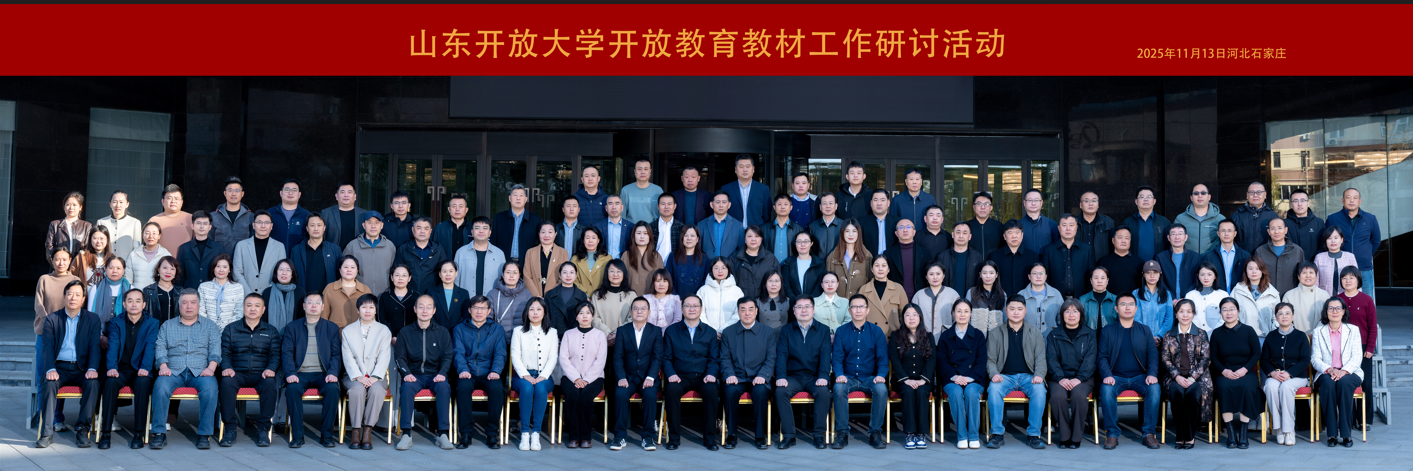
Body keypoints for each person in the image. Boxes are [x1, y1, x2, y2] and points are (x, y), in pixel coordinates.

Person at [149, 289, 221, 450]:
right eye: (185, 302)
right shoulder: (167, 326)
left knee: (210, 389)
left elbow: (215, 350)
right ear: (179, 306)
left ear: (198, 305)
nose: (189, 306)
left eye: (193, 302)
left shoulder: (210, 326)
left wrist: (211, 368)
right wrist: (163, 366)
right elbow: (160, 348)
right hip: (173, 370)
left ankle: (204, 434)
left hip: (201, 371)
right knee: (160, 387)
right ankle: (159, 433)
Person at [35, 280, 102, 449]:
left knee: (93, 384)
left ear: (83, 299)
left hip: (82, 368)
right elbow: (48, 347)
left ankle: (82, 430)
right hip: (59, 368)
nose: (73, 298)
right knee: (49, 384)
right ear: (64, 297)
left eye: (78, 295)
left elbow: (94, 346)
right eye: (70, 294)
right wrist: (51, 368)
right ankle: (46, 432)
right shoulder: (52, 319)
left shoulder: (92, 319)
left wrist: (92, 368)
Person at [1096, 293, 1162, 450]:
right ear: (1116, 309)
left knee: (1154, 389)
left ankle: (1148, 433)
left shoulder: (1144, 330)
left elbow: (1153, 356)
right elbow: (1102, 357)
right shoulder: (1107, 330)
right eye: (1123, 304)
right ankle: (1112, 434)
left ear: (1136, 308)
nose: (1127, 307)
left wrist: (1152, 374)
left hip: (1140, 377)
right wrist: (1107, 375)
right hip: (1116, 377)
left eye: (1131, 304)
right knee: (1106, 390)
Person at [216, 293, 280, 448]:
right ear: (243, 308)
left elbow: (275, 355)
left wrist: (270, 369)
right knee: (226, 383)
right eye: (249, 305)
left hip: (261, 373)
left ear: (263, 309)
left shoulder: (271, 331)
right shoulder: (231, 329)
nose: (253, 309)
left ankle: (263, 429)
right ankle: (230, 429)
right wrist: (227, 367)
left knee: (270, 384)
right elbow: (224, 352)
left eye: (257, 306)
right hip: (237, 373)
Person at [984, 295, 1047, 450]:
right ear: (1006, 310)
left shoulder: (1035, 332)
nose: (1016, 312)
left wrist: (1039, 375)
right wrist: (994, 374)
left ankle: (1034, 435)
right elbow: (990, 359)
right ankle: (997, 434)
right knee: (994, 389)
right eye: (1012, 309)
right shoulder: (996, 333)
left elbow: (1041, 358)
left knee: (1039, 390)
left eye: (1019, 309)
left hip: (1029, 377)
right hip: (1004, 377)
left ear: (1025, 311)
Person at [281, 292, 343, 448]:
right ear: (304, 306)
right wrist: (290, 373)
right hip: (299, 373)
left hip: (323, 374)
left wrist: (332, 372)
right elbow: (286, 353)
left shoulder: (331, 328)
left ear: (322, 307)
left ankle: (327, 435)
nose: (313, 306)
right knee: (292, 389)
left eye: (317, 302)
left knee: (333, 389)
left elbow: (336, 354)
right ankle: (297, 436)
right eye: (310, 302)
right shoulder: (292, 327)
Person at [393, 295, 455, 451]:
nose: (424, 310)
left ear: (434, 310)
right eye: (421, 307)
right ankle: (406, 434)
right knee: (406, 388)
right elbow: (399, 357)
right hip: (414, 375)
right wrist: (406, 373)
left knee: (444, 387)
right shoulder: (405, 332)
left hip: (435, 375)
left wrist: (442, 373)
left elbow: (448, 356)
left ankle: (442, 434)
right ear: (415, 309)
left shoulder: (442, 332)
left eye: (428, 307)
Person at [99, 289, 159, 449]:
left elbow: (150, 347)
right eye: (130, 301)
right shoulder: (115, 322)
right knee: (110, 383)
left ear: (144, 304)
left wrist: (145, 367)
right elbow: (113, 346)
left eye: (138, 301)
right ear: (124, 304)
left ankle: (139, 433)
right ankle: (105, 433)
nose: (134, 304)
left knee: (143, 383)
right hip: (120, 369)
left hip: (140, 369)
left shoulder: (152, 323)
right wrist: (112, 368)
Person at [661, 293, 722, 450]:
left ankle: (710, 439)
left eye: (695, 306)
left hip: (703, 376)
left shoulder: (710, 332)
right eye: (688, 306)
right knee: (671, 390)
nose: (691, 309)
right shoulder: (672, 331)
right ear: (682, 309)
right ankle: (673, 438)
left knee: (711, 390)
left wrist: (711, 374)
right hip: (680, 376)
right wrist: (671, 374)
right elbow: (666, 358)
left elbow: (714, 359)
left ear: (701, 309)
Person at [831, 295, 890, 449]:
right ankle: (842, 433)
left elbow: (883, 358)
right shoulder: (841, 331)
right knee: (838, 388)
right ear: (849, 310)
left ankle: (875, 433)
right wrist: (839, 374)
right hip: (848, 377)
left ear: (867, 310)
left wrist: (881, 375)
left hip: (870, 378)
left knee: (881, 389)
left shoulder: (876, 331)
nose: (858, 310)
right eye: (854, 307)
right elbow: (836, 358)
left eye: (861, 306)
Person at [773, 296, 832, 449]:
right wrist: (781, 376)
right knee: (780, 391)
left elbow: (825, 356)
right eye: (799, 307)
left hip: (814, 377)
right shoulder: (786, 330)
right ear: (794, 311)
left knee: (823, 392)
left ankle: (819, 435)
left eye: (807, 306)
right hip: (793, 377)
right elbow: (782, 355)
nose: (803, 310)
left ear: (813, 309)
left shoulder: (823, 330)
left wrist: (823, 376)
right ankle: (789, 436)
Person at [718, 298, 777, 450]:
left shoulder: (767, 332)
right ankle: (731, 434)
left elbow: (771, 358)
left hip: (759, 377)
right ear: (738, 312)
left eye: (751, 309)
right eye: (743, 309)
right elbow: (724, 358)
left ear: (756, 311)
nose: (747, 313)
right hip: (736, 377)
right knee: (729, 392)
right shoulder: (728, 332)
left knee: (760, 392)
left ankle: (760, 435)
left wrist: (763, 375)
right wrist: (729, 374)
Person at [452, 296, 507, 448]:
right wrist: (463, 370)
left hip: (488, 372)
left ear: (489, 311)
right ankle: (466, 433)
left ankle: (492, 434)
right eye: (475, 307)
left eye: (483, 308)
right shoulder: (459, 329)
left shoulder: (497, 329)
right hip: (467, 371)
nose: (479, 311)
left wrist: (495, 371)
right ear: (469, 310)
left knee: (497, 389)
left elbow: (500, 353)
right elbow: (458, 353)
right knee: (463, 387)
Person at [610, 297, 664, 451]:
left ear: (649, 312)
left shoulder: (655, 331)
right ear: (631, 312)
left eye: (643, 308)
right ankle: (620, 437)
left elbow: (657, 357)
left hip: (648, 377)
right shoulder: (622, 330)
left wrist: (651, 377)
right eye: (636, 308)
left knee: (650, 396)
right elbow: (617, 357)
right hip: (627, 377)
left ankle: (648, 437)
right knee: (620, 395)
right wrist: (621, 377)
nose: (639, 311)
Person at [1210, 296, 1262, 449]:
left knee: (1247, 387)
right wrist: (1224, 371)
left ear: (1238, 311)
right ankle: (1231, 434)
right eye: (1224, 310)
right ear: (1220, 313)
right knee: (1224, 387)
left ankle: (1244, 433)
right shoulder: (1216, 333)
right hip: (1224, 371)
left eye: (1232, 309)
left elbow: (1256, 354)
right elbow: (1213, 357)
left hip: (1246, 371)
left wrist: (1244, 369)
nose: (1228, 313)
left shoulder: (1248, 330)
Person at [1161, 298, 1213, 450]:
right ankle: (1180, 434)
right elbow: (1165, 359)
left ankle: (1189, 435)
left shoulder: (1201, 334)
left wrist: (1192, 377)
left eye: (1189, 312)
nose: (1185, 315)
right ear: (1176, 314)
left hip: (1198, 378)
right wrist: (1177, 376)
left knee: (1191, 395)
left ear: (1194, 314)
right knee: (1176, 393)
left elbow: (1205, 359)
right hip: (1174, 378)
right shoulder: (1168, 335)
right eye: (1181, 311)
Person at [1311, 296, 1362, 448]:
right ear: (1326, 311)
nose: (1334, 311)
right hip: (1327, 372)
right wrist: (1330, 369)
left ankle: (1346, 434)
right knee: (1327, 384)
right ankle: (1332, 434)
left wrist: (1344, 371)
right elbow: (1315, 358)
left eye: (1338, 308)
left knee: (1344, 384)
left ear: (1343, 311)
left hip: (1350, 372)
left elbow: (1357, 356)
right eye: (1331, 308)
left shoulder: (1353, 330)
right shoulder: (1318, 331)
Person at [1046, 299, 1097, 450]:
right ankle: (1065, 434)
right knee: (1057, 397)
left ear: (1081, 314)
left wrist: (1079, 378)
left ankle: (1076, 436)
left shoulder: (1090, 334)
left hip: (1083, 378)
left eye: (1075, 311)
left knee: (1079, 396)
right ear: (1062, 315)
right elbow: (1051, 359)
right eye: (1067, 311)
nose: (1071, 315)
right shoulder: (1053, 335)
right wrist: (1061, 378)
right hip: (1058, 377)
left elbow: (1090, 360)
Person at [342, 298, 390, 451]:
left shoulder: (384, 330)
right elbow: (347, 357)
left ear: (375, 310)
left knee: (377, 390)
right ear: (358, 310)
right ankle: (356, 431)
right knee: (357, 390)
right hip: (353, 376)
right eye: (364, 307)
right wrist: (359, 377)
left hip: (377, 376)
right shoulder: (348, 331)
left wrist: (375, 377)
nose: (367, 310)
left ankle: (367, 431)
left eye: (371, 307)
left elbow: (384, 356)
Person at [938, 299, 987, 449]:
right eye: (959, 311)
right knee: (955, 392)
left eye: (966, 311)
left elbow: (982, 360)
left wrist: (969, 377)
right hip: (951, 378)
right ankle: (962, 436)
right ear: (953, 313)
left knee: (971, 393)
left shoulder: (978, 335)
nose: (962, 314)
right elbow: (941, 361)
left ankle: (973, 436)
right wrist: (955, 377)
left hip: (974, 378)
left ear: (971, 313)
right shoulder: (945, 336)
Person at [510, 297, 557, 451]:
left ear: (544, 312)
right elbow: (515, 356)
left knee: (541, 388)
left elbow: (553, 357)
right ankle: (525, 433)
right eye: (531, 309)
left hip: (544, 375)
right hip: (522, 376)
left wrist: (543, 375)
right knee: (527, 388)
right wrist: (525, 375)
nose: (535, 312)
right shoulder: (518, 331)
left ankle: (535, 433)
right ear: (527, 312)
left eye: (539, 309)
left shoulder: (552, 332)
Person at [1261, 302, 1312, 446]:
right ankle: (1279, 428)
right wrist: (1273, 373)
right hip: (1275, 375)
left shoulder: (1301, 336)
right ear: (1276, 317)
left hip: (1297, 376)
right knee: (1270, 386)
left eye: (1287, 313)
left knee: (1286, 387)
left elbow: (1305, 360)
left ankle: (1289, 430)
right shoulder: (1271, 336)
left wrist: (1289, 373)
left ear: (1293, 316)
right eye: (1280, 314)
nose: (1284, 316)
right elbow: (1264, 360)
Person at [560, 302, 607, 449]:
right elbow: (563, 359)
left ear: (592, 316)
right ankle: (573, 436)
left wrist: (586, 379)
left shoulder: (600, 335)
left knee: (586, 397)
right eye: (581, 313)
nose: (584, 316)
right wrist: (576, 378)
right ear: (576, 317)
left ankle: (586, 436)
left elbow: (600, 361)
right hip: (570, 378)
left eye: (588, 313)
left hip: (594, 378)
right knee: (573, 396)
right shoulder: (568, 334)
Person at [889, 303, 936, 450]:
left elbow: (931, 360)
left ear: (920, 317)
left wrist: (923, 380)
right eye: (907, 315)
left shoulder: (928, 336)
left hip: (923, 379)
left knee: (922, 392)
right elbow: (894, 360)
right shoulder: (896, 336)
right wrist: (906, 380)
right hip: (902, 380)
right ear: (903, 318)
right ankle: (909, 433)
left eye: (915, 314)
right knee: (908, 392)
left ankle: (921, 434)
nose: (911, 318)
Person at [1336, 265, 1377, 426]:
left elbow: (1372, 326)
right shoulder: (1337, 300)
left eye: (1351, 277)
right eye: (1344, 278)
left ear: (1358, 280)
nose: (1348, 280)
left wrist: (1370, 347)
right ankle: (1349, 419)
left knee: (1365, 383)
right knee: (1346, 381)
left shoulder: (1367, 300)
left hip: (1363, 346)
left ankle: (1365, 419)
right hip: (1342, 348)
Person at [1325, 188, 1380, 299]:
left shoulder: (1370, 218)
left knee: (1366, 299)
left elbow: (1376, 241)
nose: (1351, 200)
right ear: (1342, 200)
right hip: (1341, 267)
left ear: (1359, 201)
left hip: (1364, 267)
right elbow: (1327, 240)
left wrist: (1366, 255)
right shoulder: (1333, 219)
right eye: (1348, 197)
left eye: (1355, 198)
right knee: (1341, 301)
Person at [234, 211, 288, 296]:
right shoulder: (241, 245)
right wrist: (249, 294)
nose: (263, 226)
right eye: (259, 222)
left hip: (270, 296)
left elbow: (281, 273)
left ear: (271, 226)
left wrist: (267, 293)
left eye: (266, 223)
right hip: (245, 296)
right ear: (253, 225)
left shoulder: (279, 247)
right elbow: (237, 273)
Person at [1040, 214, 1094, 298]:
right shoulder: (1049, 250)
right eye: (1064, 225)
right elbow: (1045, 277)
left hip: (1081, 299)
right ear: (1059, 228)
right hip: (1055, 299)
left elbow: (1091, 276)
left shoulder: (1087, 250)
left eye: (1071, 225)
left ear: (1076, 228)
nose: (1068, 228)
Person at [343, 211, 396, 296]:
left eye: (376, 223)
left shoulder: (390, 246)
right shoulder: (352, 246)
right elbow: (343, 272)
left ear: (382, 225)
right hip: (359, 295)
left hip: (384, 296)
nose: (373, 226)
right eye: (369, 222)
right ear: (363, 225)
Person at [455, 216, 506, 299]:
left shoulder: (499, 254)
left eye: (485, 228)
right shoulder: (461, 252)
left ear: (490, 232)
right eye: (477, 228)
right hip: (466, 301)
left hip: (491, 302)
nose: (481, 231)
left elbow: (503, 280)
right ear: (472, 231)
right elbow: (456, 280)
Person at [394, 217, 449, 293]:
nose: (422, 231)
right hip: (407, 294)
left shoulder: (438, 250)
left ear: (430, 231)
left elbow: (444, 273)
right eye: (419, 228)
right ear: (413, 230)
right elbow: (395, 272)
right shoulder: (403, 249)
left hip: (432, 295)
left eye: (426, 228)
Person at [490, 184, 543, 261]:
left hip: (527, 263)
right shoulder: (499, 218)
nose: (518, 198)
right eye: (515, 195)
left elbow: (538, 244)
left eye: (521, 195)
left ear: (526, 199)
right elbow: (493, 242)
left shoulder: (536, 220)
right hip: (503, 262)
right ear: (510, 198)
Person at [988, 220, 1039, 296]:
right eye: (1010, 232)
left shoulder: (1032, 256)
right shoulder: (994, 256)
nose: (1014, 236)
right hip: (1000, 299)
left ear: (1022, 235)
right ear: (1004, 236)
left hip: (1026, 299)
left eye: (1017, 232)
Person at [858, 255, 907, 335]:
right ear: (872, 269)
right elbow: (859, 315)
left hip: (893, 337)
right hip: (870, 336)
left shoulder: (898, 288)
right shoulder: (864, 289)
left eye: (884, 265)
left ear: (888, 269)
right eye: (877, 265)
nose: (880, 269)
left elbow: (905, 315)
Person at [1231, 258, 1278, 340]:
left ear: (1262, 271)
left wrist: (1273, 336)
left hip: (1265, 338)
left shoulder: (1272, 293)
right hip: (1243, 337)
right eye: (1250, 268)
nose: (1254, 272)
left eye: (1257, 268)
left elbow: (1276, 317)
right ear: (1246, 271)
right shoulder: (1237, 290)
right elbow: (1231, 313)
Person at [1255, 218, 1304, 294]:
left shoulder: (1297, 251)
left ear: (1286, 230)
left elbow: (1302, 276)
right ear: (1268, 231)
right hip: (1266, 296)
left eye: (1280, 228)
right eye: (1273, 228)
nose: (1276, 231)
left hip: (1291, 296)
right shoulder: (1260, 251)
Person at [1174, 183, 1225, 255]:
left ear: (1209, 197)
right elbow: (1174, 242)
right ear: (1191, 198)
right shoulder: (1180, 219)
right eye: (1196, 193)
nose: (1200, 196)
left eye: (1203, 193)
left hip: (1211, 260)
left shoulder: (1220, 219)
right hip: (1188, 260)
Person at [913, 263, 961, 340]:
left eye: (938, 274)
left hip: (947, 339)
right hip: (923, 339)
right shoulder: (918, 295)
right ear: (926, 277)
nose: (935, 277)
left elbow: (958, 319)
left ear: (943, 276)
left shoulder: (952, 294)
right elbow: (913, 318)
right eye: (931, 274)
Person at [322, 255, 373, 328]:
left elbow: (371, 315)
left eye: (353, 267)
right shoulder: (330, 288)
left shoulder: (365, 290)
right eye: (346, 267)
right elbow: (323, 315)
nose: (349, 270)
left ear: (357, 270)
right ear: (340, 270)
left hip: (359, 333)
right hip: (335, 333)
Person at [1122, 186, 1170, 262]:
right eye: (1142, 197)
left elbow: (1169, 246)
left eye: (1149, 197)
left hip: (1158, 266)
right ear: (1136, 201)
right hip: (1133, 265)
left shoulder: (1164, 222)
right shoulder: (1127, 223)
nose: (1146, 199)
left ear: (1154, 201)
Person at [885, 218, 931, 298]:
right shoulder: (888, 253)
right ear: (896, 233)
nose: (905, 230)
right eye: (901, 227)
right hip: (895, 297)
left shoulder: (925, 253)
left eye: (909, 227)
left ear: (914, 232)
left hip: (920, 297)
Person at [729, 225, 778, 300]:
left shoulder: (770, 259)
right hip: (741, 303)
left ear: (761, 239)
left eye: (757, 236)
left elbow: (777, 283)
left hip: (764, 304)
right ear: (745, 239)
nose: (753, 239)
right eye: (749, 236)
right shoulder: (734, 258)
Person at [721, 154, 770, 227]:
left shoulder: (763, 189)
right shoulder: (726, 189)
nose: (745, 170)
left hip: (756, 231)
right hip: (732, 231)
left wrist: (760, 230)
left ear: (753, 169)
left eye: (748, 166)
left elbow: (767, 215)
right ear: (735, 169)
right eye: (741, 167)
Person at [826, 220, 872, 297]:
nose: (851, 234)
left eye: (854, 231)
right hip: (838, 303)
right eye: (847, 231)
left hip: (859, 303)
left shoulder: (867, 256)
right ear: (842, 233)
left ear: (858, 233)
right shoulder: (832, 257)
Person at [524, 222, 570, 298]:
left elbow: (564, 276)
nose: (546, 235)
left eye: (550, 232)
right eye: (543, 232)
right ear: (539, 234)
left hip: (555, 296)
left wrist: (551, 295)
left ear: (555, 234)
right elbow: (527, 276)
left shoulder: (563, 253)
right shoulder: (530, 252)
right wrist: (536, 296)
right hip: (535, 297)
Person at [591, 260, 636, 339]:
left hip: (625, 338)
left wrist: (617, 334)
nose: (615, 274)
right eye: (612, 271)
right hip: (602, 338)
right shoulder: (597, 295)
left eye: (619, 271)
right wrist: (608, 334)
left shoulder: (631, 295)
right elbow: (594, 318)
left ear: (624, 273)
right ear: (607, 273)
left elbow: (633, 318)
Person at [1202, 220, 1250, 293]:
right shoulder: (1209, 256)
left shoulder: (1245, 256)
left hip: (1239, 295)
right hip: (1216, 296)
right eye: (1223, 231)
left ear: (1235, 233)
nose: (1226, 234)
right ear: (1218, 233)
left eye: (1229, 231)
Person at [197, 255, 244, 329]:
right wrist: (210, 327)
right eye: (218, 266)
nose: (221, 270)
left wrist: (229, 329)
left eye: (225, 267)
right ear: (213, 269)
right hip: (208, 329)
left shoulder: (238, 288)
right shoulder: (203, 287)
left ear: (229, 270)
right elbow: (201, 311)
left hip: (231, 330)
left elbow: (239, 312)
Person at [210, 178, 254, 257]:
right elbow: (208, 242)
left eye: (237, 190)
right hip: (219, 262)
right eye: (230, 190)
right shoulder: (213, 217)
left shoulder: (251, 217)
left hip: (243, 261)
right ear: (225, 193)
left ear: (242, 194)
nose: (233, 194)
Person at [936, 221, 982, 295]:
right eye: (958, 232)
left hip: (971, 299)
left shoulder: (977, 257)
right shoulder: (942, 257)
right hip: (948, 298)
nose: (961, 236)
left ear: (970, 237)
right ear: (953, 235)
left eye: (964, 233)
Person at [177, 211, 220, 289]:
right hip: (189, 292)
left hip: (212, 291)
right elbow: (179, 275)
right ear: (192, 226)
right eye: (198, 223)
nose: (201, 226)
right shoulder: (184, 248)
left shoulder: (218, 248)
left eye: (205, 223)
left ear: (210, 227)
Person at [1231, 182, 1277, 255]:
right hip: (1242, 258)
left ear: (1265, 195)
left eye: (1259, 192)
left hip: (1266, 258)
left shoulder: (1273, 216)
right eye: (1252, 192)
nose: (1255, 195)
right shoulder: (1237, 215)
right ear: (1247, 195)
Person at [488, 260, 532, 336]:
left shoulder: (526, 294)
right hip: (499, 338)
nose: (511, 276)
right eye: (508, 272)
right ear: (503, 274)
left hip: (521, 337)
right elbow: (488, 318)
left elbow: (531, 318)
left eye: (515, 272)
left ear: (519, 275)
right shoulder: (493, 294)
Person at [319, 183, 368, 251]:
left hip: (357, 254)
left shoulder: (364, 214)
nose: (346, 195)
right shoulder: (326, 213)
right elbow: (320, 238)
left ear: (355, 196)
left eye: (349, 192)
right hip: (332, 254)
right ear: (336, 196)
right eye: (342, 192)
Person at [1283, 262, 1330, 333]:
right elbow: (1285, 318)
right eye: (1304, 272)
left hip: (1319, 335)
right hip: (1295, 336)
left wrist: (1314, 333)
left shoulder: (1324, 295)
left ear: (1316, 276)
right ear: (1298, 276)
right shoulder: (1289, 295)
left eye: (1311, 272)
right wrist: (1298, 335)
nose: (1308, 276)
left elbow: (1327, 318)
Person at [1156, 224, 1201, 298]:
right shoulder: (1161, 257)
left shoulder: (1195, 257)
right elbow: (1160, 280)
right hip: (1167, 299)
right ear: (1168, 237)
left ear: (1186, 237)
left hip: (1189, 300)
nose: (1177, 237)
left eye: (1180, 234)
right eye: (1173, 234)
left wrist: (1185, 298)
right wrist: (1171, 298)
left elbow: (1197, 280)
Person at [148, 185, 194, 256]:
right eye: (169, 198)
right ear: (162, 201)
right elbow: (149, 245)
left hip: (186, 261)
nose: (173, 201)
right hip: (161, 261)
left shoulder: (191, 219)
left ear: (182, 202)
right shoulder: (154, 220)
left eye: (176, 198)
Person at [98, 190, 145, 260]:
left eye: (121, 202)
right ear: (110, 204)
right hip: (106, 262)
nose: (118, 205)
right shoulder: (101, 222)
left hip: (127, 263)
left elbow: (137, 248)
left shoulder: (135, 222)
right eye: (114, 202)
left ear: (127, 204)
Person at [1096, 226, 1143, 297]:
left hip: (1132, 302)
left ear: (1130, 241)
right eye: (1120, 237)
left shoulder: (1139, 262)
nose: (1123, 241)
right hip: (1109, 301)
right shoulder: (1103, 262)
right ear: (1113, 240)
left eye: (1127, 238)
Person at [545, 262, 588, 338]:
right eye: (565, 272)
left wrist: (572, 335)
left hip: (575, 337)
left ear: (576, 275)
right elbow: (546, 316)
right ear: (559, 275)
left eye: (571, 272)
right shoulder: (550, 294)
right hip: (553, 336)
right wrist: (553, 334)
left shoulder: (582, 295)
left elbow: (583, 318)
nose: (568, 275)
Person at [1134, 260, 1174, 340]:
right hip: (1142, 339)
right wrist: (1149, 337)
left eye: (1155, 272)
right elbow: (1135, 318)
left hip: (1161, 340)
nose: (1152, 276)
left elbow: (1169, 319)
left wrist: (1159, 336)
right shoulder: (1136, 293)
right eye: (1148, 272)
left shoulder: (1167, 294)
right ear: (1143, 274)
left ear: (1160, 274)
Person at [268, 179, 312, 251]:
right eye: (287, 190)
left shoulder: (307, 215)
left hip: (298, 256)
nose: (290, 193)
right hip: (274, 255)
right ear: (281, 193)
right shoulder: (270, 213)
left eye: (294, 190)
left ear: (299, 194)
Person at [260, 260, 304, 330]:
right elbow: (262, 318)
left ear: (292, 274)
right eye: (281, 269)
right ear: (276, 272)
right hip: (270, 334)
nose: (284, 273)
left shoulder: (300, 292)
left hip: (294, 334)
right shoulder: (267, 292)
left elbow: (303, 317)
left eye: (288, 270)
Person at [1185, 263, 1230, 332]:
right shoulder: (1190, 295)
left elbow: (1226, 316)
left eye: (1209, 274)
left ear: (1215, 276)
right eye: (1202, 275)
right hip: (1194, 335)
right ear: (1198, 276)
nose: (1206, 278)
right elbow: (1186, 316)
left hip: (1217, 334)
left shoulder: (1223, 295)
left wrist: (1216, 332)